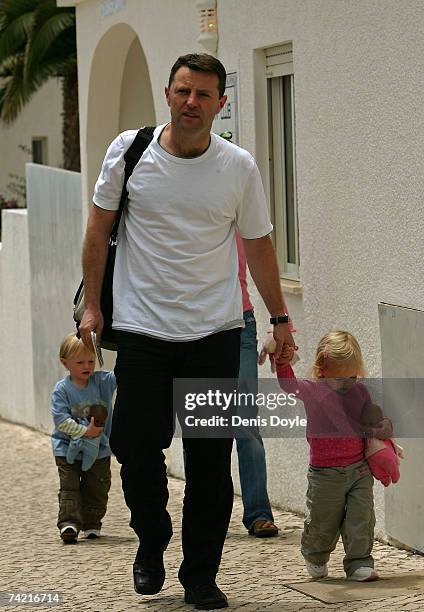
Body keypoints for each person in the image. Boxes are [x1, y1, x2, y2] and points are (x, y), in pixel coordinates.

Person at [79, 53, 295, 610]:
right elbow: (99, 231)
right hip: (144, 333)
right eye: (182, 91)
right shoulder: (129, 152)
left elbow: (259, 244)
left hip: (215, 333)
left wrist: (279, 317)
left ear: (221, 103)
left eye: (203, 95)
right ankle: (152, 540)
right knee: (133, 445)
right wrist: (92, 311)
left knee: (208, 462)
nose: (191, 103)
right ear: (168, 94)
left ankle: (201, 573)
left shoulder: (238, 167)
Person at [274, 330, 392, 582]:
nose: (347, 383)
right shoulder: (312, 390)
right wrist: (282, 362)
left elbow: (370, 419)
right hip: (324, 473)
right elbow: (288, 385)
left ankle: (359, 562)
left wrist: (383, 426)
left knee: (361, 517)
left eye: (352, 376)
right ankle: (315, 554)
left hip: (359, 468)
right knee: (322, 520)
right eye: (340, 378)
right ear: (321, 369)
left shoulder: (360, 392)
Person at [235, 233, 294, 537]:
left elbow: (262, 260)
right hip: (194, 328)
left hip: (240, 324)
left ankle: (258, 513)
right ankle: (205, 513)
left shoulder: (239, 207)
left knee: (245, 423)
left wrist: (282, 326)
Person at [51, 332, 116, 543]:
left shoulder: (102, 382)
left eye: (91, 361)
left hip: (100, 448)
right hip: (66, 447)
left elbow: (124, 372)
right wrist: (84, 432)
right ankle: (69, 522)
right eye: (80, 362)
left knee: (98, 486)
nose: (87, 366)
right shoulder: (61, 390)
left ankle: (92, 522)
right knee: (70, 485)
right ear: (65, 363)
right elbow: (61, 420)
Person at [361, 403, 403, 486]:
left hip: (379, 449)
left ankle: (393, 477)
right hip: (373, 452)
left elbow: (385, 431)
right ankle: (387, 479)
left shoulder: (383, 424)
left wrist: (372, 431)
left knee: (389, 462)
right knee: (377, 469)